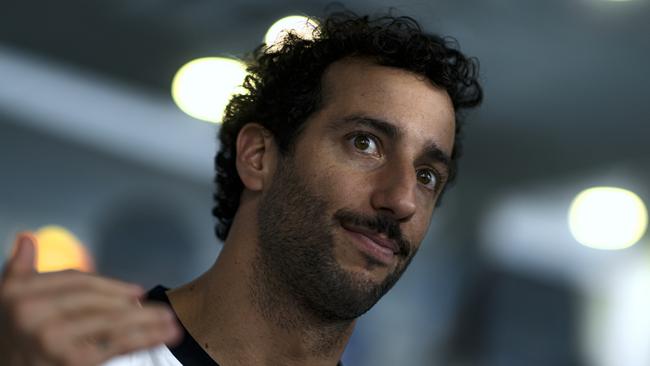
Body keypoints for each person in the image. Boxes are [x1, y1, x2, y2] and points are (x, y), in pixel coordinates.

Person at [0, 10, 482, 366]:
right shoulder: (79, 358)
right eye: (365, 143)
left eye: (426, 176)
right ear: (259, 157)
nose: (400, 199)